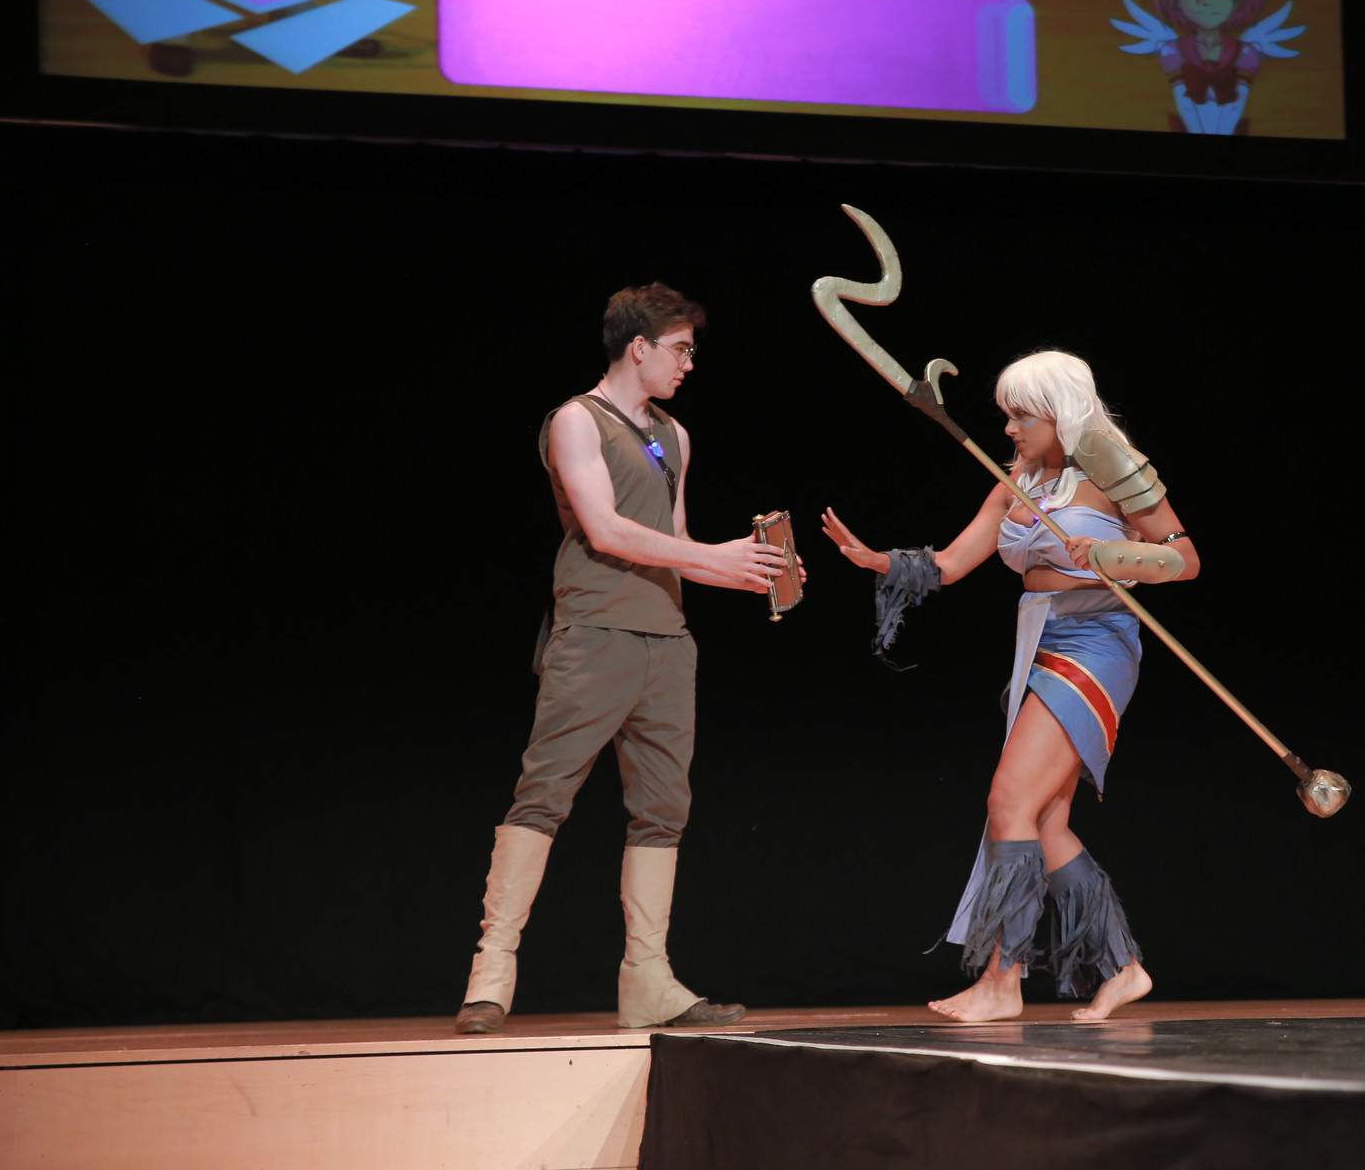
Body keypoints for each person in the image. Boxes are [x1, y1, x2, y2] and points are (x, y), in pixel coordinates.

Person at [821, 350, 1198, 1022]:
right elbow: (951, 563)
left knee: (1008, 802)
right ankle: (1122, 966)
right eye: (1007, 415)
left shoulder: (1113, 470)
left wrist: (1111, 555)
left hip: (1096, 642)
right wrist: (877, 560)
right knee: (1044, 823)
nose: (1009, 429)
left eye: (1022, 416)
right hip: (1042, 640)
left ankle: (1003, 980)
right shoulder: (1017, 481)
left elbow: (1184, 559)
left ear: (1061, 412)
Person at [455, 283, 790, 1035]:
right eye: (680, 349)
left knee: (664, 809)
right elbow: (605, 530)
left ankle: (648, 980)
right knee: (545, 793)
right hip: (595, 632)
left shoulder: (675, 435)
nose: (689, 364)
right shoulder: (577, 420)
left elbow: (675, 542)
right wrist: (714, 556)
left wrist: (749, 570)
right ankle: (491, 973)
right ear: (639, 347)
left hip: (666, 640)